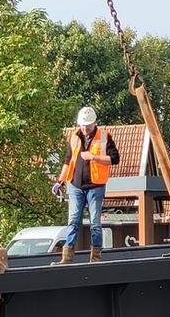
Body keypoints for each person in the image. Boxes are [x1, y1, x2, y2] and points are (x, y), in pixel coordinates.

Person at [51, 105, 119, 264]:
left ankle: (95, 258)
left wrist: (93, 157)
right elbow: (68, 160)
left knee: (95, 223)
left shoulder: (105, 137)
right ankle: (67, 257)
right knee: (73, 221)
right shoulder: (74, 136)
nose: (84, 128)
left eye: (87, 125)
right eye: (82, 125)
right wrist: (60, 181)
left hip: (95, 186)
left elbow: (115, 159)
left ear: (94, 123)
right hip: (75, 185)